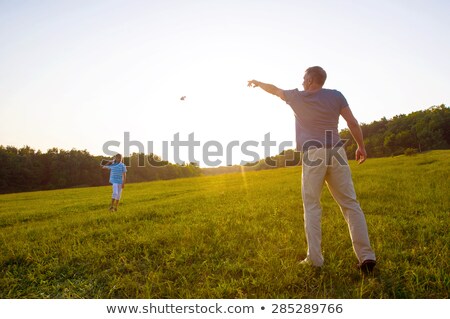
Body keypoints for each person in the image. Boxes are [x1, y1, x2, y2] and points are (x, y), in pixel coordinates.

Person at [248, 66, 376, 273]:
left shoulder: (297, 97)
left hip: (313, 153)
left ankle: (315, 259)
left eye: (303, 78)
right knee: (350, 204)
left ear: (309, 80)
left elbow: (274, 90)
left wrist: (257, 82)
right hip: (337, 152)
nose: (301, 82)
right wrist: (361, 146)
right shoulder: (336, 96)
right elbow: (352, 122)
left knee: (312, 206)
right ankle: (367, 256)